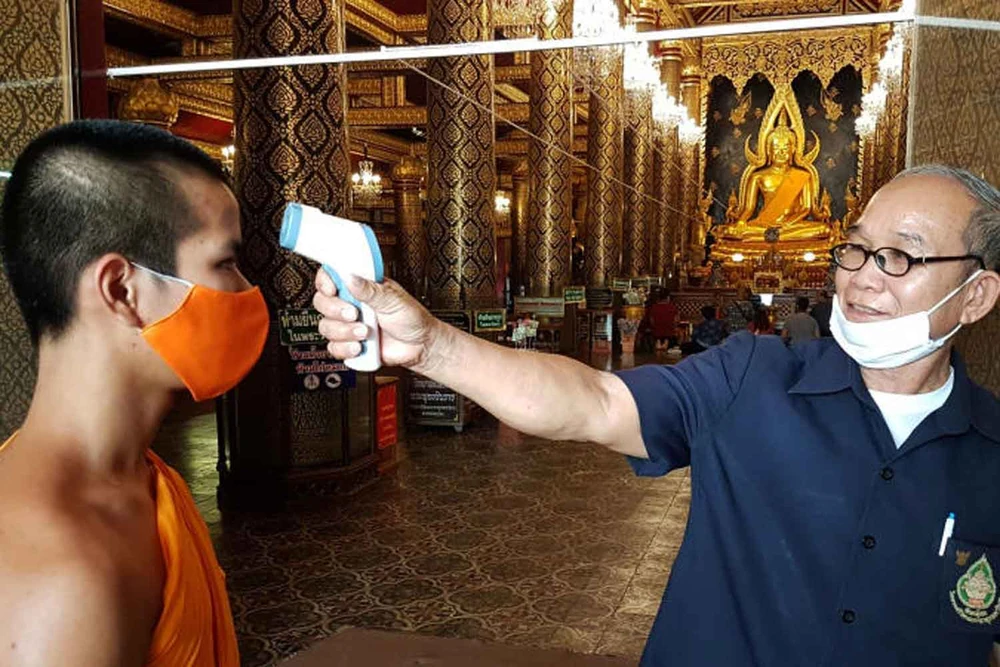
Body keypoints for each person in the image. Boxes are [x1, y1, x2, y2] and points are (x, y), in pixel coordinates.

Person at [313, 164, 1000, 666]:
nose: (863, 275)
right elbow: (594, 401)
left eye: (902, 255)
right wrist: (432, 345)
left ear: (976, 295)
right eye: (855, 248)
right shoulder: (751, 376)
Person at [0, 120, 266, 666]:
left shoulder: (140, 478)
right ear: (122, 290)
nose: (246, 291)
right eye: (225, 263)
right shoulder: (65, 576)